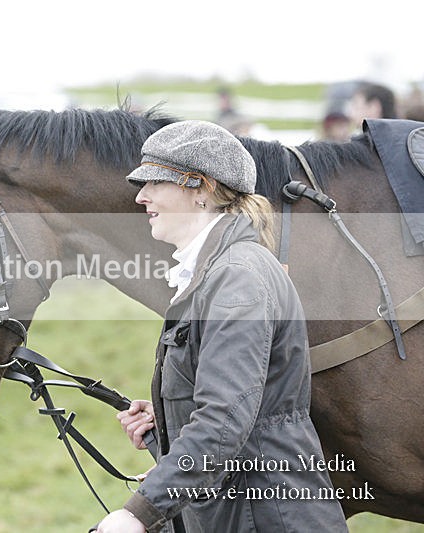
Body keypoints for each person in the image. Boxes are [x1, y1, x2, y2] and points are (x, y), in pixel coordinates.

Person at [95, 121, 347, 532]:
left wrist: (136, 515)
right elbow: (240, 400)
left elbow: (225, 421)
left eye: (155, 182)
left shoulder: (236, 277)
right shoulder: (216, 271)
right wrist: (169, 417)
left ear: (201, 189)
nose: (141, 196)